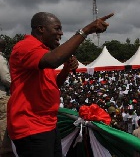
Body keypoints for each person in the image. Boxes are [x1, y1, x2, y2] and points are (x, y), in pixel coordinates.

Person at [7, 11, 114, 157]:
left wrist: (66, 69)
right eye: (57, 29)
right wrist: (85, 31)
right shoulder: (26, 46)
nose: (61, 33)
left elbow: (54, 85)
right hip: (31, 126)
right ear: (41, 29)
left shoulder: (43, 52)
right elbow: (53, 60)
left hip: (48, 125)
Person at [0, 38, 12, 156]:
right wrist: (15, 86)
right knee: (4, 126)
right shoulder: (0, 59)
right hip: (2, 96)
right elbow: (5, 78)